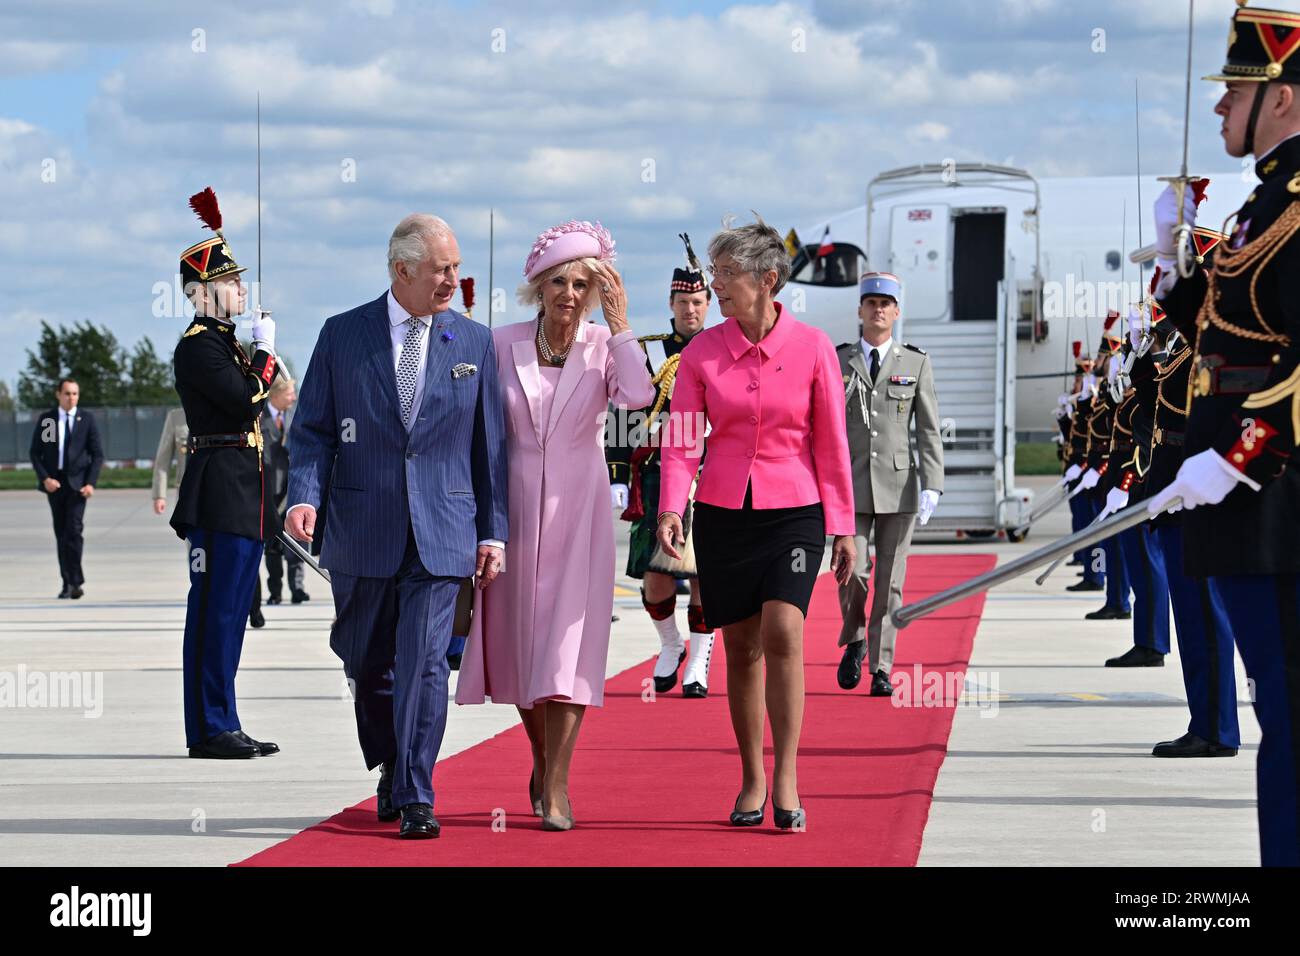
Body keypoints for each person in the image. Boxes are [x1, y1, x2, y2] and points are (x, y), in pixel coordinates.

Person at [287, 213, 509, 839]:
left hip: (444, 530)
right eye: (443, 269)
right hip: (362, 527)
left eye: (457, 268)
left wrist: (493, 532)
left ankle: (415, 790)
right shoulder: (341, 336)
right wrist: (302, 498)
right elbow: (312, 433)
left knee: (426, 661)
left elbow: (489, 450)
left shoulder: (473, 343)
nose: (453, 281)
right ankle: (390, 761)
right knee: (368, 661)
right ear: (401, 270)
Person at [1147, 2, 1300, 866]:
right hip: (1245, 509)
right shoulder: (1264, 203)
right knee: (1278, 708)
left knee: (1288, 712)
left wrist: (1237, 460)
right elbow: (1214, 324)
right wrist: (1175, 258)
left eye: (1234, 90)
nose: (1218, 109)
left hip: (1275, 504)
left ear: (1281, 97)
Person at [656, 215, 856, 831]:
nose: (717, 284)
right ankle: (752, 777)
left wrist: (844, 525)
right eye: (715, 272)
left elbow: (831, 442)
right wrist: (671, 504)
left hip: (795, 512)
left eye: (727, 273)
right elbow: (683, 441)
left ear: (768, 279)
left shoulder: (815, 347)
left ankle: (789, 775)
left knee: (784, 633)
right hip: (722, 512)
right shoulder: (701, 352)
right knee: (740, 648)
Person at [456, 219, 655, 832]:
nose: (571, 294)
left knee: (569, 645)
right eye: (560, 282)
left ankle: (560, 783)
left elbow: (640, 398)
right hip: (511, 506)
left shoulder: (603, 344)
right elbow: (472, 425)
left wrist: (621, 324)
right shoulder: (499, 342)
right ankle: (542, 758)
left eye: (584, 285)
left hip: (581, 506)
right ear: (539, 287)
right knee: (522, 642)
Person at [169, 187, 281, 759]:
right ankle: (210, 728)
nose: (242, 291)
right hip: (218, 495)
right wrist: (264, 354)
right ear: (203, 292)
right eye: (232, 283)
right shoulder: (198, 349)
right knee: (214, 614)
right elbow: (244, 402)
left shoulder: (226, 344)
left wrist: (257, 353)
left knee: (232, 614)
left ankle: (224, 720)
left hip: (241, 494)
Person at [608, 233, 716, 697]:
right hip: (654, 472)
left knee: (706, 573)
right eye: (681, 301)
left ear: (709, 303)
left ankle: (701, 661)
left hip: (712, 474)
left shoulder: (723, 348)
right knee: (656, 576)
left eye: (696, 301)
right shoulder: (650, 353)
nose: (689, 309)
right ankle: (670, 645)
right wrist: (616, 474)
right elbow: (623, 412)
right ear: (670, 303)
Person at [1144, 275, 1240, 757]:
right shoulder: (1183, 350)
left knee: (1204, 618)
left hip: (1193, 500)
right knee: (1193, 619)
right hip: (1174, 495)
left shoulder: (1205, 349)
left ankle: (1217, 729)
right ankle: (1205, 721)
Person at [834, 272, 944, 696]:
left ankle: (881, 665)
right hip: (851, 483)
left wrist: (933, 482)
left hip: (899, 487)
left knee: (890, 581)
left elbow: (929, 429)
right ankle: (856, 638)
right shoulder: (838, 359)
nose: (878, 309)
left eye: (886, 303)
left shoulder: (916, 363)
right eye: (871, 302)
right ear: (860, 310)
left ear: (896, 312)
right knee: (852, 573)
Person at [30, 379, 104, 600]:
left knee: (74, 532)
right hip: (56, 485)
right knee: (61, 534)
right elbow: (36, 453)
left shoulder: (86, 420)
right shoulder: (49, 421)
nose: (71, 397)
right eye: (67, 393)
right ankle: (67, 582)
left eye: (75, 394)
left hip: (78, 485)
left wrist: (91, 482)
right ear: (58, 395)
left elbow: (97, 454)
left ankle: (76, 580)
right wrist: (45, 479)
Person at [260, 372, 308, 606]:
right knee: (272, 545)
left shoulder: (297, 416)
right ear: (276, 395)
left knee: (298, 541)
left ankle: (297, 587)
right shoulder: (258, 419)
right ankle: (275, 590)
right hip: (268, 490)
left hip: (293, 489)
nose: (293, 397)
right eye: (289, 393)